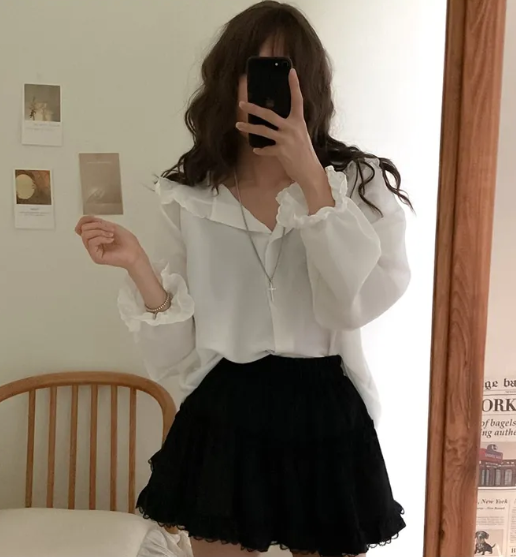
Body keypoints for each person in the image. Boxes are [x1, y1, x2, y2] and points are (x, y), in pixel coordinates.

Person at [75, 2, 411, 556]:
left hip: (326, 409)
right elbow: (176, 354)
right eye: (256, 70)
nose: (269, 89)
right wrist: (138, 266)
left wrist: (311, 179)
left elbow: (352, 302)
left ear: (309, 86)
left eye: (286, 72)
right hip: (227, 410)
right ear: (229, 80)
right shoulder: (188, 198)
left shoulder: (355, 185)